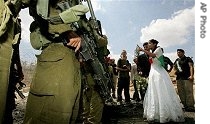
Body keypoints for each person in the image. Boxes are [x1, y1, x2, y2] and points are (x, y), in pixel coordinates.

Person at [21, 1, 91, 124]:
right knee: (49, 114)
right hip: (56, 55)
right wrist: (66, 30)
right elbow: (41, 9)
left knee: (69, 113)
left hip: (72, 60)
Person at [137, 39, 185, 123]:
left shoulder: (158, 49)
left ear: (154, 43)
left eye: (150, 43)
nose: (148, 45)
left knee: (161, 91)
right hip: (153, 72)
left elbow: (153, 55)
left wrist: (143, 50)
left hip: (159, 72)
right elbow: (151, 60)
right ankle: (156, 113)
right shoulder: (151, 50)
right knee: (154, 92)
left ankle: (165, 114)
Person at [0, 1, 24, 123]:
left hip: (10, 66)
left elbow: (16, 50)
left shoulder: (17, 23)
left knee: (8, 103)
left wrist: (19, 69)